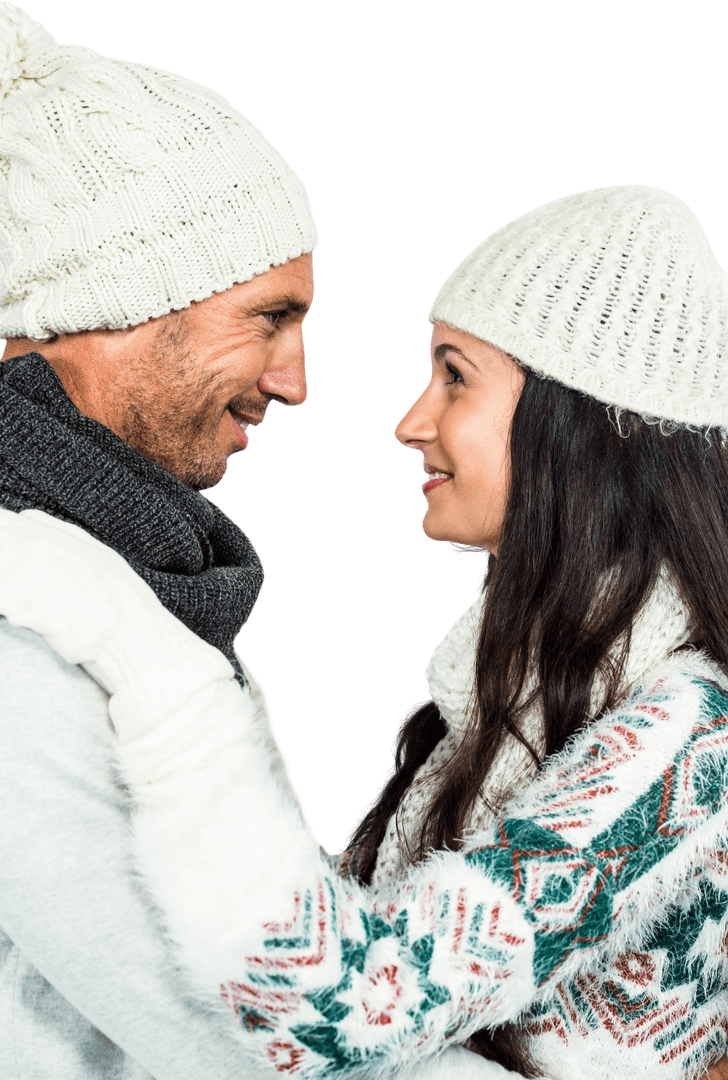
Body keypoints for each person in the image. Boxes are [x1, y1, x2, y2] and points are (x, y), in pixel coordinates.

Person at [2, 183, 728, 1080]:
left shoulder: (690, 740)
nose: (411, 423)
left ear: (584, 423)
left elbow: (344, 1013)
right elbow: (342, 924)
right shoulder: (520, 706)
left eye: (455, 377)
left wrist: (148, 657)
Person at [0, 5, 500, 1078]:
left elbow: (270, 927)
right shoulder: (24, 620)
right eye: (269, 317)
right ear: (113, 301)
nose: (296, 381)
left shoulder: (123, 579)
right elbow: (254, 1032)